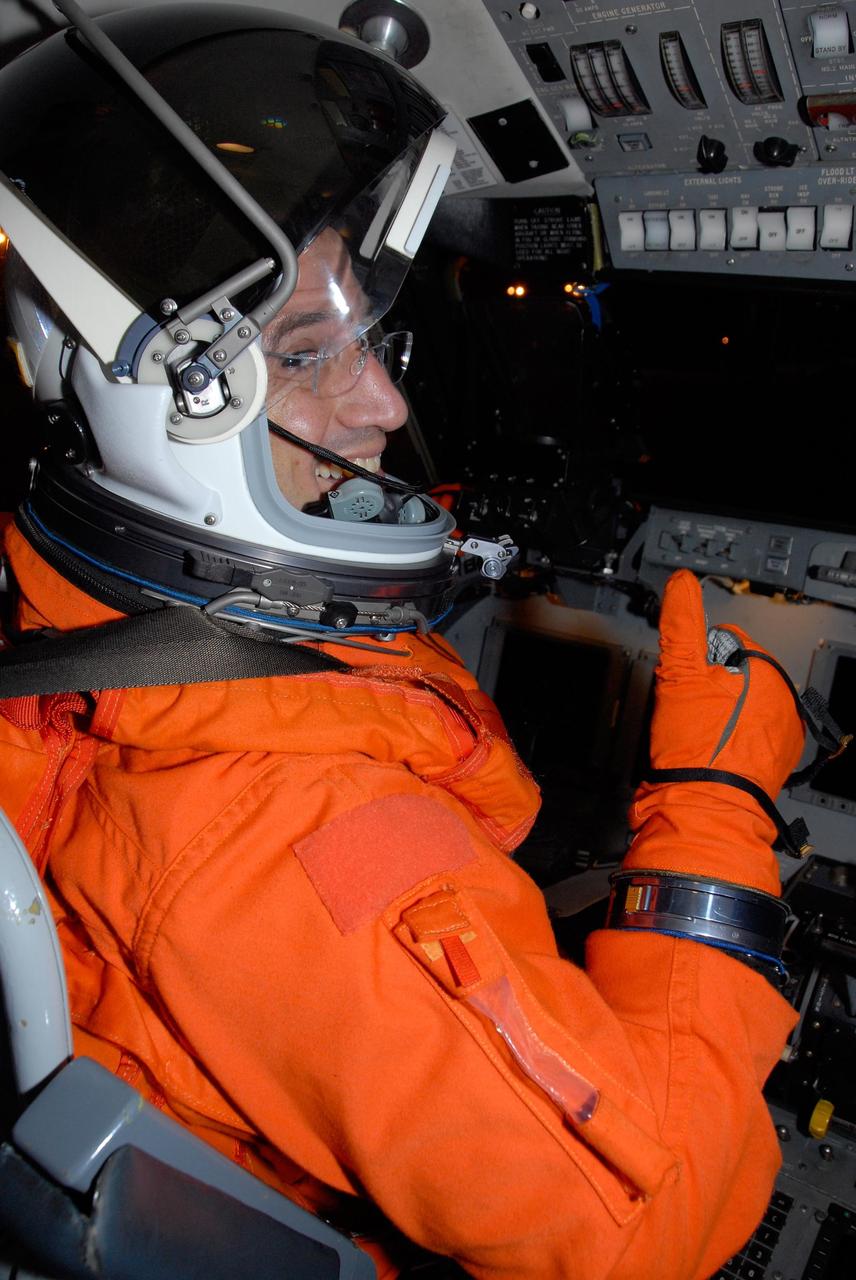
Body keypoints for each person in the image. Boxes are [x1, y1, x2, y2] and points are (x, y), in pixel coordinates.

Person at [0, 5, 806, 1277]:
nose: (381, 403)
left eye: (366, 338)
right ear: (149, 410)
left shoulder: (72, 611)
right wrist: (716, 797)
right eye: (305, 358)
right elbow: (643, 1223)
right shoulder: (283, 831)